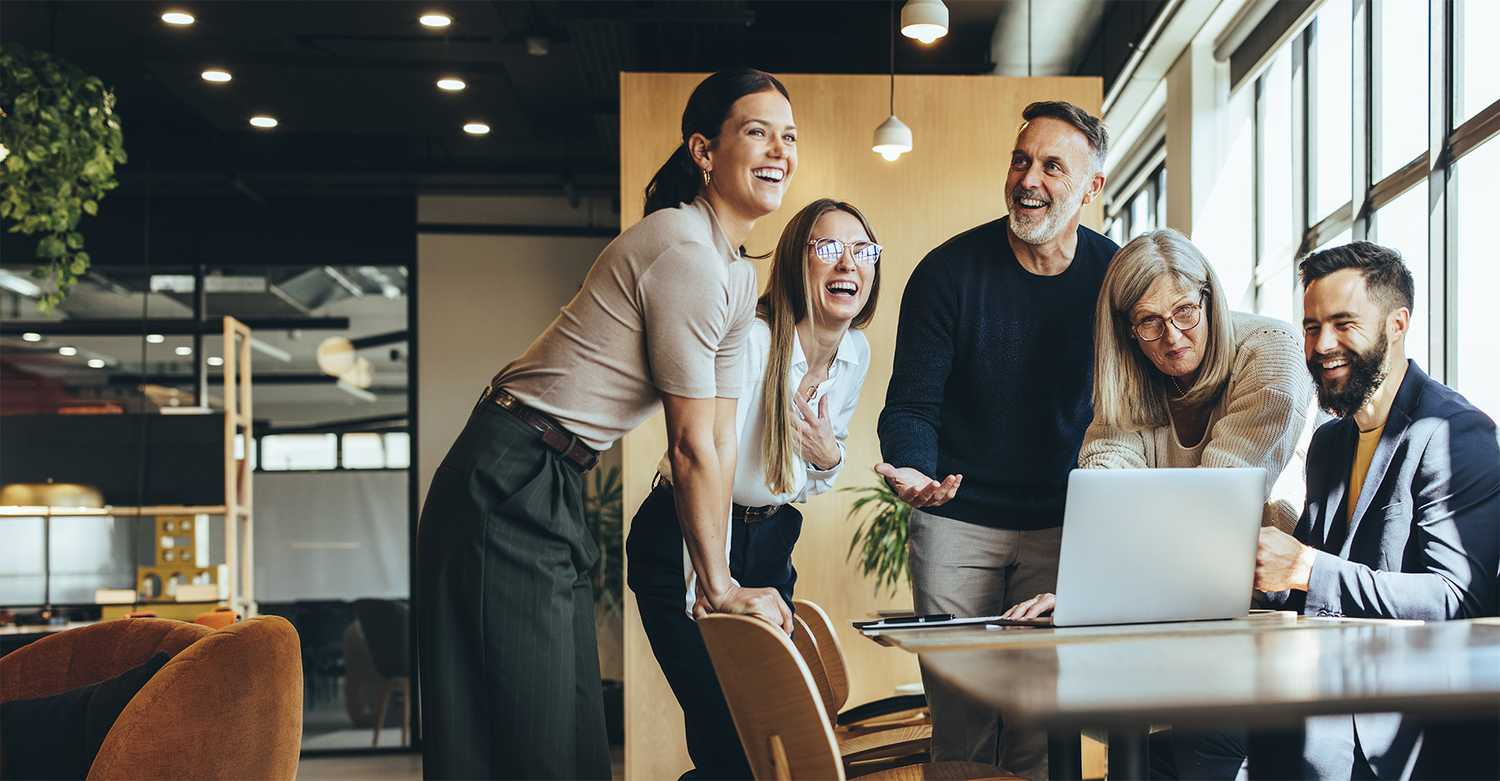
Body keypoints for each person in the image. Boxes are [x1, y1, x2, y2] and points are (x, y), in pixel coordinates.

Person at [416, 68, 798, 780]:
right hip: (507, 472)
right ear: (704, 151)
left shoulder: (735, 273)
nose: (779, 150)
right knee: (526, 736)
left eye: (789, 136)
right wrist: (716, 586)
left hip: (553, 472)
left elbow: (716, 437)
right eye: (757, 131)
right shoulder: (683, 251)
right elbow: (687, 447)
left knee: (566, 730)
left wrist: (716, 583)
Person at [876, 100, 1117, 779]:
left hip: (1062, 525)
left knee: (1040, 728)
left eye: (1051, 165)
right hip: (958, 523)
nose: (1028, 179)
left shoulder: (1115, 278)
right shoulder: (946, 273)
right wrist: (915, 470)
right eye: (1020, 160)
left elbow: (1135, 409)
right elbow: (911, 405)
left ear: (1092, 188)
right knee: (962, 725)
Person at [628, 198, 881, 779]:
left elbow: (812, 476)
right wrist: (709, 586)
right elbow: (704, 464)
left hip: (769, 544)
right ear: (797, 262)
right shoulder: (754, 342)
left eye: (862, 250)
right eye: (828, 248)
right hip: (686, 537)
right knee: (730, 738)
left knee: (772, 737)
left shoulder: (854, 354)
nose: (848, 263)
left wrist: (829, 454)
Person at [1248, 241, 1500, 779]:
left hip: (1407, 721)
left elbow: (1457, 599)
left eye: (1343, 323)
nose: (1322, 345)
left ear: (1396, 323)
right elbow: (1303, 580)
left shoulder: (1455, 433)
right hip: (1329, 687)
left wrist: (1305, 567)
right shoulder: (1330, 442)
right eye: (1312, 327)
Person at [1002, 227, 1315, 626]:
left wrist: (1102, 592)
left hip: (1278, 598)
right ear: (1128, 332)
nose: (1172, 337)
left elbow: (1217, 503)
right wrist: (1084, 594)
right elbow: (1107, 489)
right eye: (1148, 321)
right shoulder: (1131, 375)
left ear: (1209, 298)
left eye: (1184, 311)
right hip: (1173, 590)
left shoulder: (1272, 352)